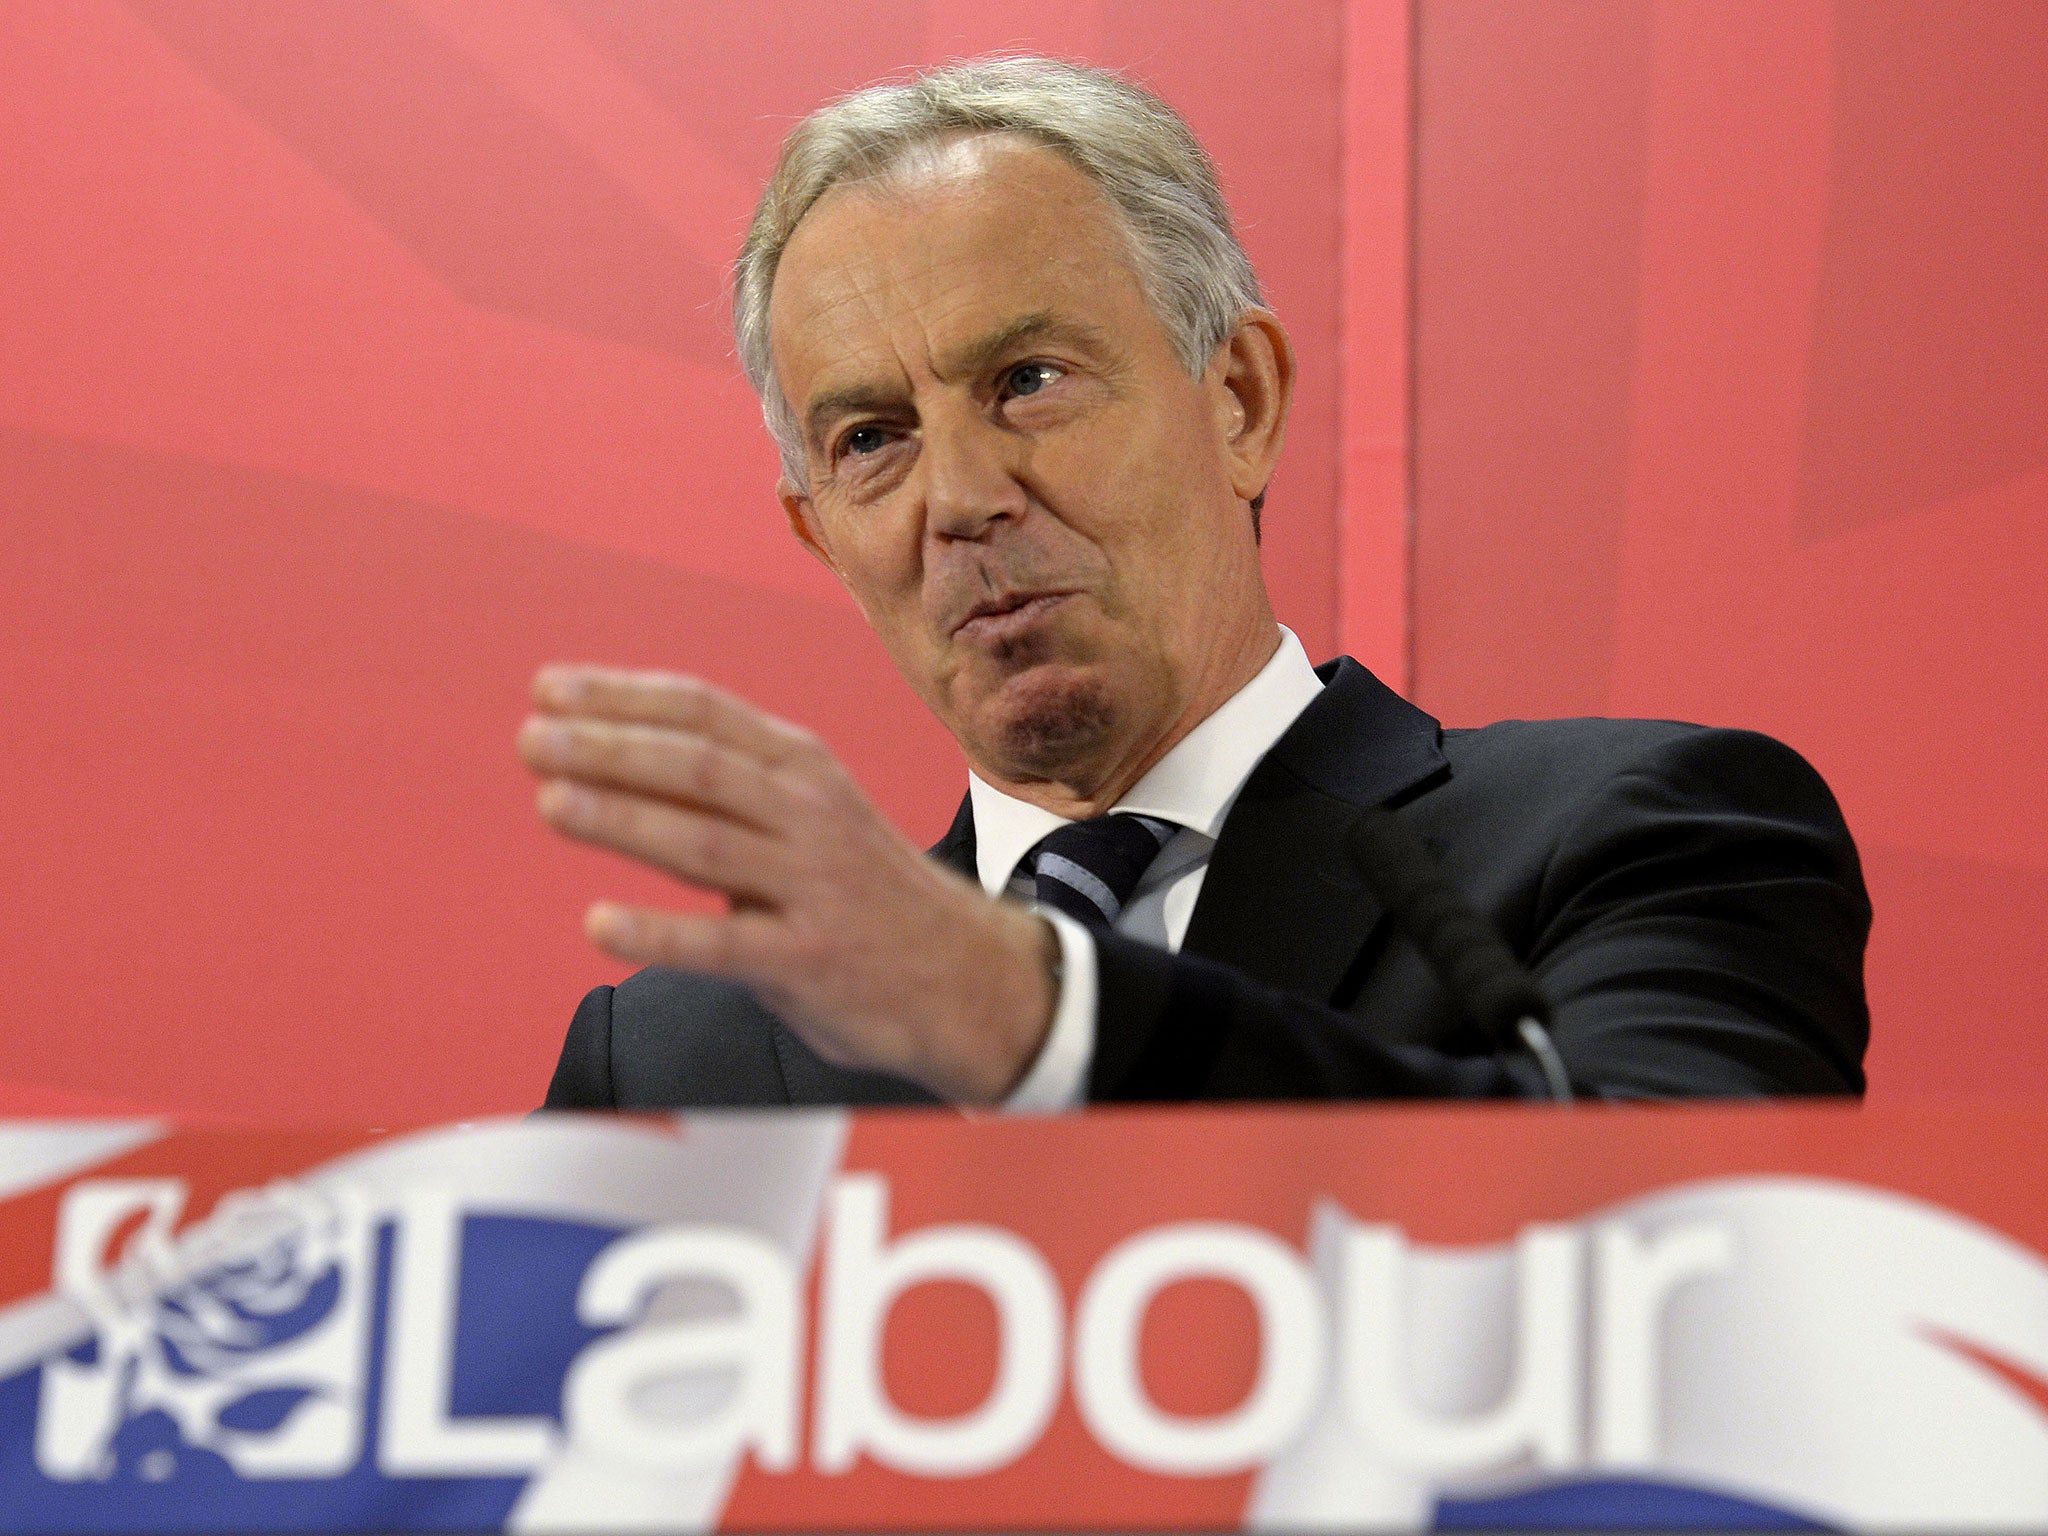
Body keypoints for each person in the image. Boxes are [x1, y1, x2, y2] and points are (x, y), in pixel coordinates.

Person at [525, 57, 1868, 1112]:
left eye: (1029, 382)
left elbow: (1681, 1258)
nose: (961, 498)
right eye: (871, 441)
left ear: (1240, 400)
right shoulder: (670, 1062)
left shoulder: (1635, 839)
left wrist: (1034, 1020)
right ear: (822, 535)